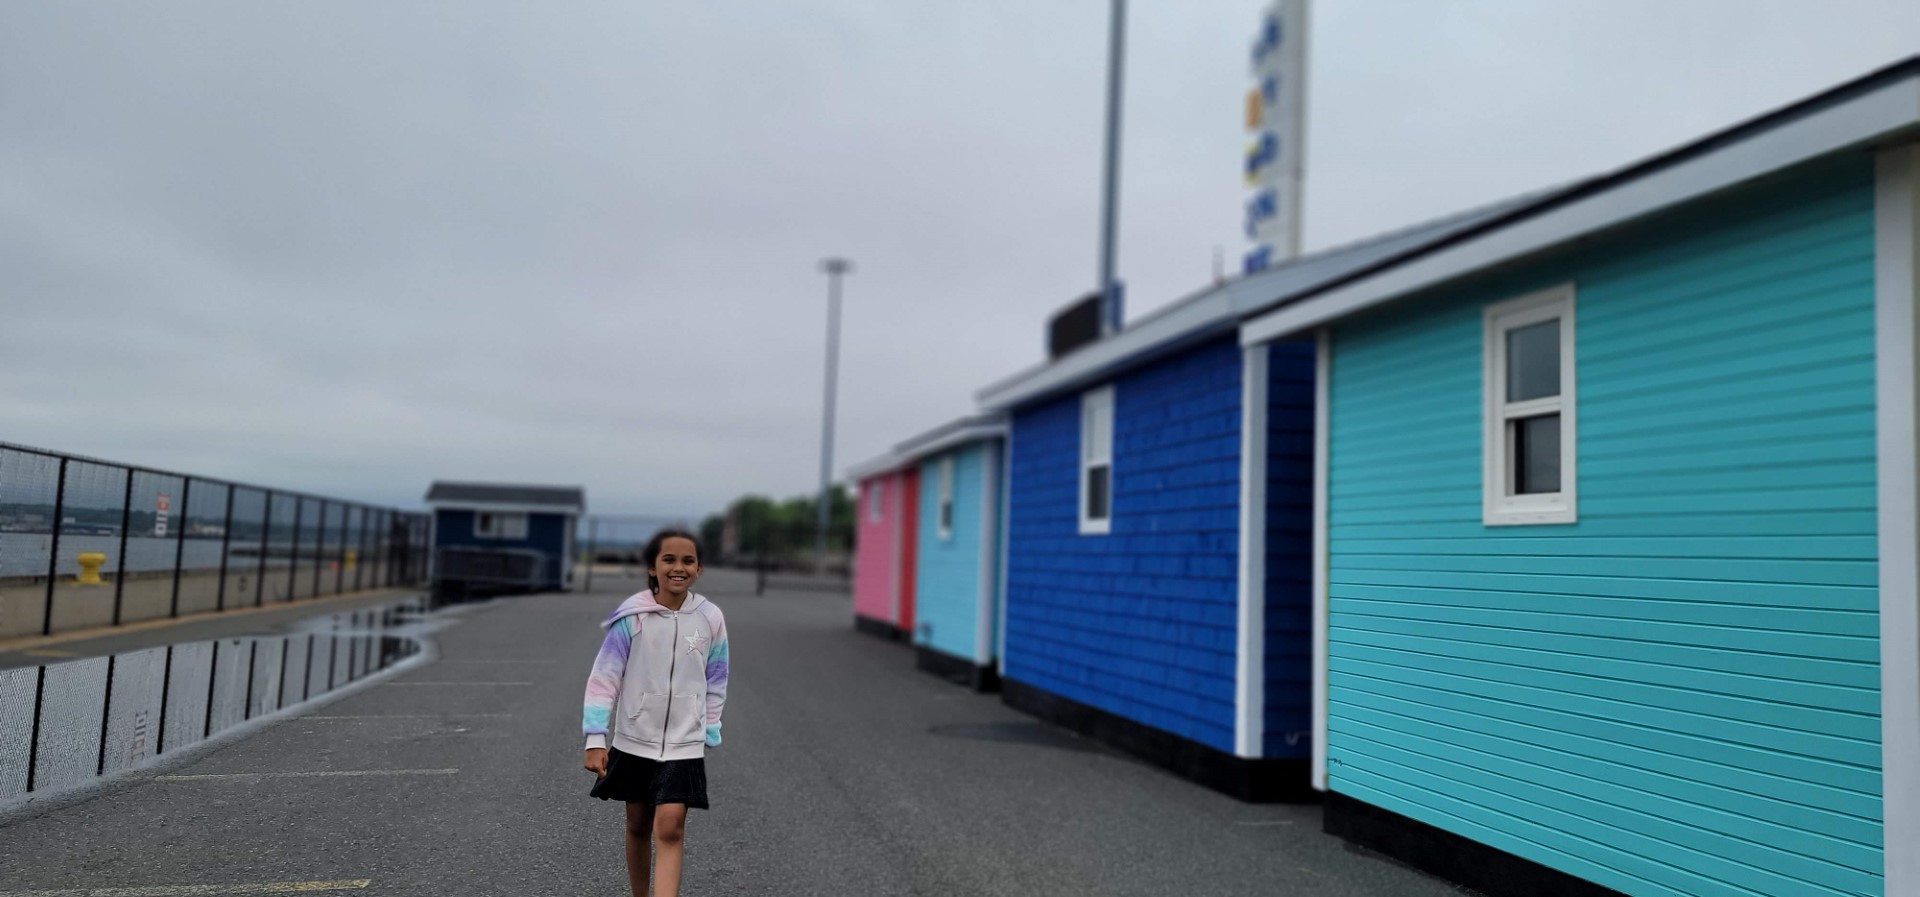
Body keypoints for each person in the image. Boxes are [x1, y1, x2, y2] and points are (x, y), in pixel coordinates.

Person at [581, 529, 729, 897]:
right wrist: (596, 738)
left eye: (688, 560)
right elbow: (604, 678)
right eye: (669, 560)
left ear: (699, 568)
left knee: (671, 825)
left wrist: (710, 724)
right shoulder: (632, 618)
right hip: (635, 738)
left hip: (684, 741)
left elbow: (717, 675)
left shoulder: (710, 618)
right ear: (652, 567)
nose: (679, 568)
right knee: (637, 823)